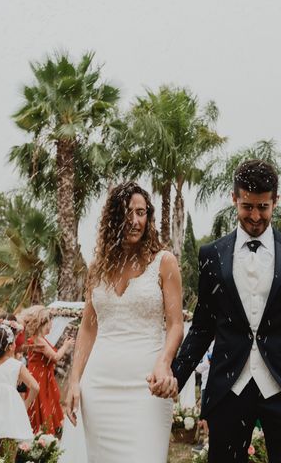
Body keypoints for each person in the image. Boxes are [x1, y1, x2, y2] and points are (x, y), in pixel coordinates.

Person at [171, 160, 281, 463]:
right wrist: (176, 375)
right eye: (247, 206)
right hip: (230, 387)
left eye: (263, 207)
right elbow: (203, 325)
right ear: (234, 199)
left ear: (275, 201)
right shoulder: (211, 255)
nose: (255, 216)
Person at [64, 182, 184, 463]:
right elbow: (88, 327)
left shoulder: (164, 262)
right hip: (99, 387)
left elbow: (175, 324)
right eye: (127, 213)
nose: (135, 221)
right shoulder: (97, 268)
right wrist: (74, 381)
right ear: (113, 219)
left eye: (141, 213)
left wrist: (165, 362)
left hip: (147, 386)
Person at [24, 305, 74, 435]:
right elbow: (55, 357)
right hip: (39, 377)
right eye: (50, 323)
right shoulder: (39, 340)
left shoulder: (38, 338)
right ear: (44, 323)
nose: (52, 326)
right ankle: (42, 433)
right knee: (42, 404)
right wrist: (66, 345)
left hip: (40, 375)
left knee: (42, 405)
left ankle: (41, 433)